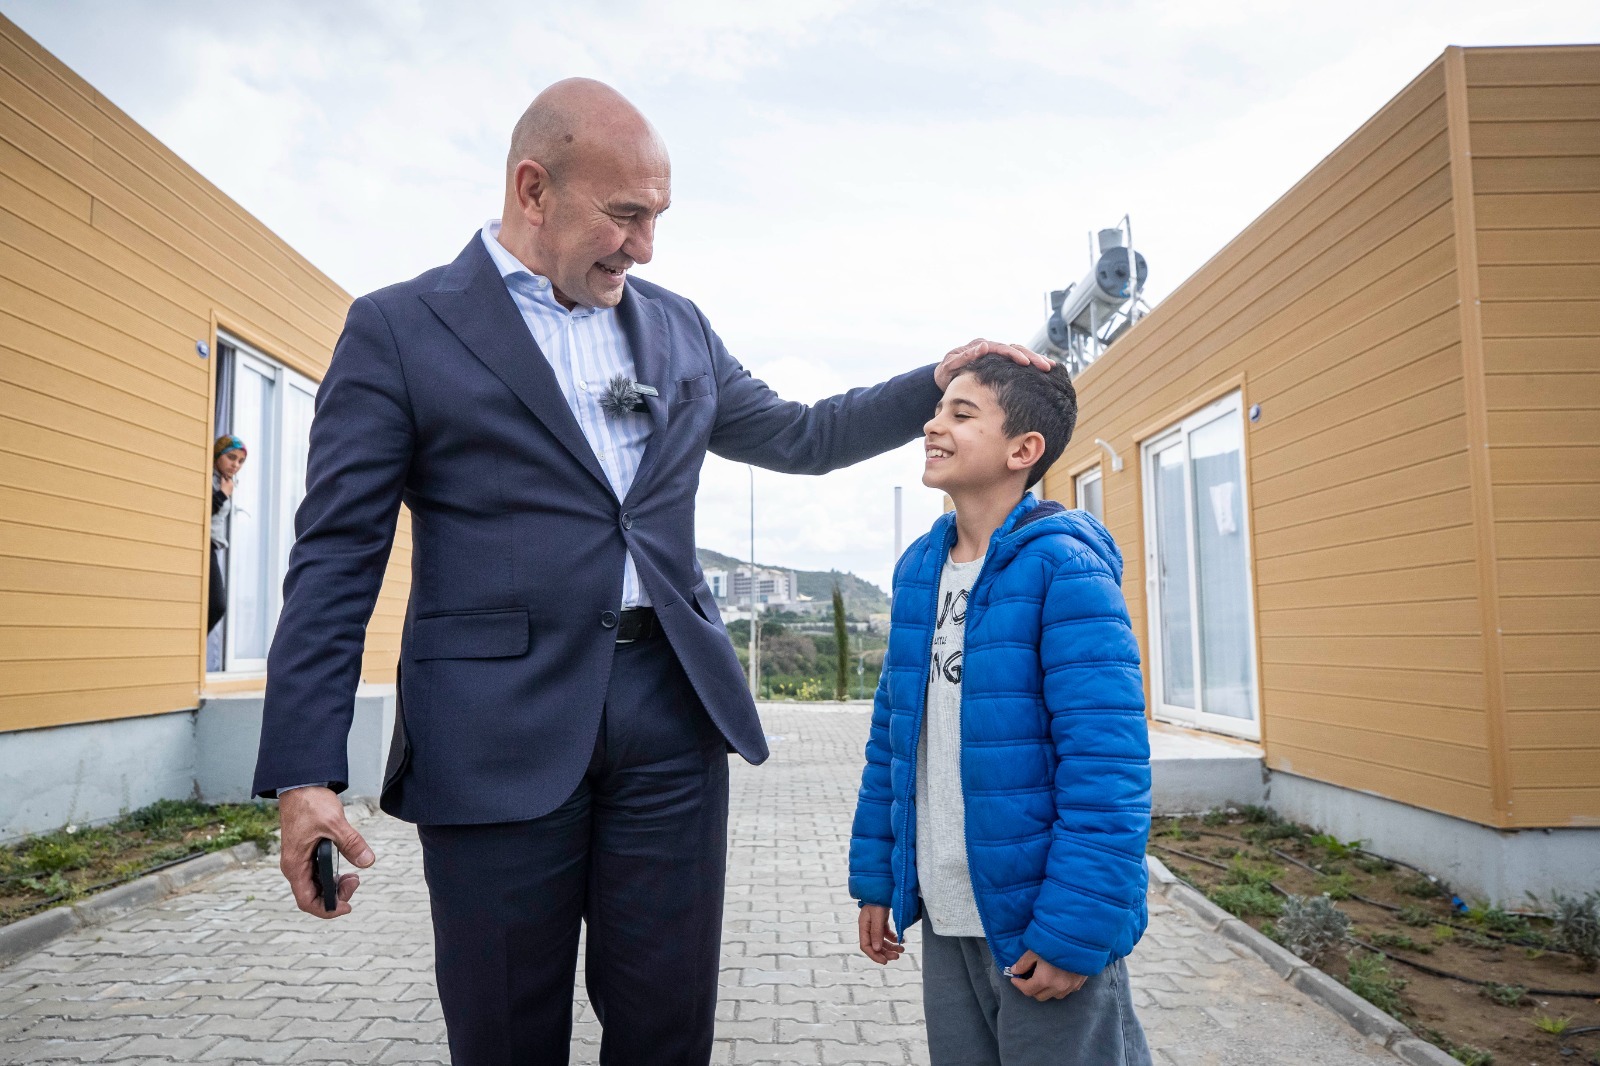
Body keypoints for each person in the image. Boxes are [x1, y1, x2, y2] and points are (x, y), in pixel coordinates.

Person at [251, 77, 1050, 1066]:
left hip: (670, 717)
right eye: (625, 215)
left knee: (668, 1029)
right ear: (533, 190)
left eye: (658, 217)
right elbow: (337, 556)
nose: (645, 246)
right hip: (494, 732)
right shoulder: (401, 329)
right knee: (504, 1034)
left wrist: (932, 381)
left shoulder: (677, 327)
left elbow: (802, 435)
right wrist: (305, 772)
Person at [848, 354, 1153, 1065]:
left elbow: (1106, 768)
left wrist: (1074, 929)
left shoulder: (1064, 569)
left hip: (1041, 922)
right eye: (936, 412)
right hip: (947, 909)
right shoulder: (920, 569)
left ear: (1023, 450)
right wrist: (878, 879)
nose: (933, 425)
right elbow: (892, 742)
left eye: (962, 414)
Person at [208, 435, 246, 633]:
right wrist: (223, 494)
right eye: (231, 457)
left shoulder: (224, 481)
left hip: (212, 547)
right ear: (217, 454)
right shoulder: (208, 478)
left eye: (240, 461)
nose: (235, 465)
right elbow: (202, 511)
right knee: (217, 606)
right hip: (204, 545)